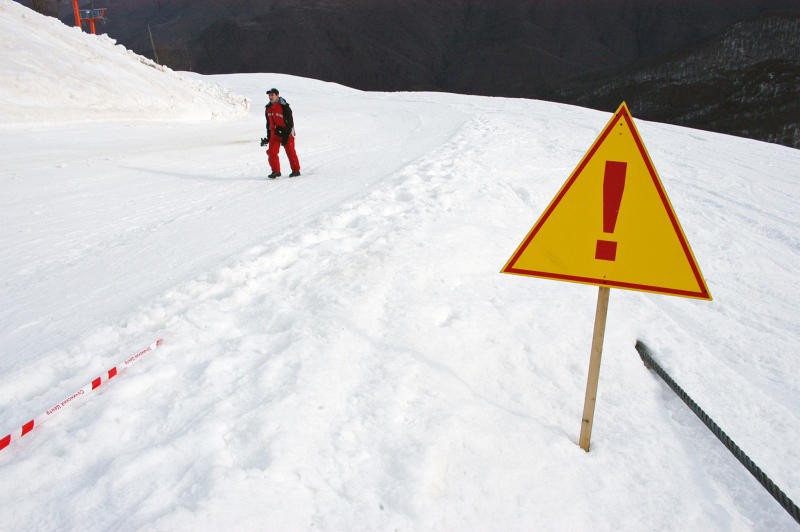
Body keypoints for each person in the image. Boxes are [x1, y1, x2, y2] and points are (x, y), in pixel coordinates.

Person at [262, 88, 301, 178]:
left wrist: (285, 136)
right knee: (271, 152)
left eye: (272, 95)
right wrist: (268, 137)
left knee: (290, 152)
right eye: (269, 95)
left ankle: (296, 170)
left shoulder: (284, 107)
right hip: (274, 134)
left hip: (287, 133)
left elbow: (290, 123)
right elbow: (268, 124)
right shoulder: (268, 108)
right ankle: (276, 171)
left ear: (277, 95)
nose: (270, 97)